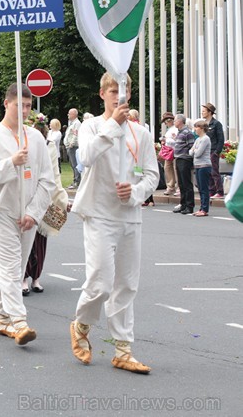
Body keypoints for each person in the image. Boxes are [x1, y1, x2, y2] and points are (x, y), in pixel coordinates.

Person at [69, 72, 159, 375]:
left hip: (129, 216)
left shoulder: (141, 134)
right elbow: (87, 157)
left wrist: (134, 192)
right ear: (102, 94)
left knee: (126, 284)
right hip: (98, 213)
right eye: (111, 91)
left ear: (129, 95)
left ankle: (123, 349)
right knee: (102, 281)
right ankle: (81, 324)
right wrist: (113, 125)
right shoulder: (91, 126)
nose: (117, 97)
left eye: (122, 92)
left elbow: (152, 175)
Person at [0, 85, 54, 343]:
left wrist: (34, 212)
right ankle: (19, 321)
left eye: (29, 106)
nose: (24, 110)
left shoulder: (37, 138)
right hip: (0, 211)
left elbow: (47, 180)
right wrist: (11, 163)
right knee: (8, 269)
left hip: (27, 215)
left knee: (16, 269)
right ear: (6, 104)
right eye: (19, 105)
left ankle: (2, 318)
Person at [22, 115, 69, 296]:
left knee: (40, 241)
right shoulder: (23, 146)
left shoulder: (49, 148)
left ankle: (36, 277)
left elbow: (55, 176)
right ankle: (23, 278)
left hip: (43, 197)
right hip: (26, 196)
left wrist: (62, 199)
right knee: (25, 239)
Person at [201, 103, 225, 199]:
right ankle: (212, 190)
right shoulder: (204, 124)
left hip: (213, 150)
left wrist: (216, 152)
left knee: (214, 172)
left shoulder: (216, 124)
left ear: (210, 112)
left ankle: (220, 191)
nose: (202, 113)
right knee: (208, 172)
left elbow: (221, 139)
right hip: (206, 152)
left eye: (204, 111)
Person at [173, 115, 195, 215]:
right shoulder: (180, 132)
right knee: (181, 183)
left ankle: (189, 206)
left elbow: (192, 146)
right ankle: (183, 204)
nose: (174, 122)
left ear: (180, 121)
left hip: (185, 159)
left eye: (175, 120)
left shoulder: (187, 132)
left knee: (186, 183)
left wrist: (189, 157)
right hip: (178, 158)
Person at [190, 120, 212, 217]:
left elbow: (198, 153)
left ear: (202, 128)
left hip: (204, 166)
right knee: (200, 188)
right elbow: (190, 152)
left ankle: (204, 209)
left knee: (204, 188)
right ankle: (201, 208)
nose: (195, 129)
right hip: (197, 166)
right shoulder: (198, 139)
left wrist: (195, 150)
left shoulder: (205, 139)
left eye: (197, 127)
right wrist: (195, 150)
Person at [159, 112, 178, 196]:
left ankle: (174, 186)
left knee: (174, 168)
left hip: (173, 150)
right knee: (168, 167)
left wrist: (166, 140)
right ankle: (171, 186)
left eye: (166, 121)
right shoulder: (170, 129)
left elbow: (176, 140)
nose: (166, 123)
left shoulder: (175, 129)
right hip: (169, 151)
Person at [64, 108, 81, 189]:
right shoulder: (72, 123)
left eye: (69, 113)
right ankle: (75, 180)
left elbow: (76, 134)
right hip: (70, 146)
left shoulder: (76, 123)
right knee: (72, 164)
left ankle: (77, 181)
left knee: (75, 164)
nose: (68, 115)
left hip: (73, 147)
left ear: (74, 114)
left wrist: (72, 143)